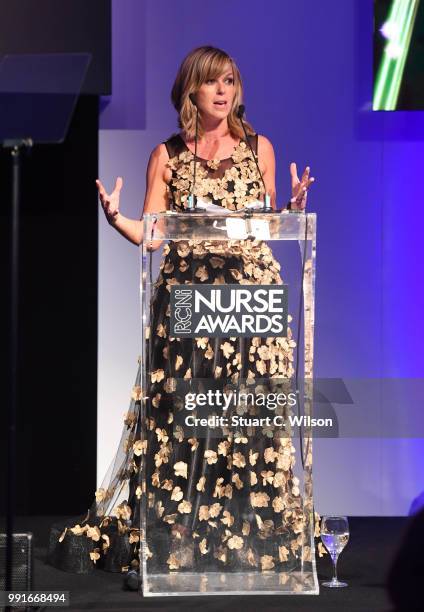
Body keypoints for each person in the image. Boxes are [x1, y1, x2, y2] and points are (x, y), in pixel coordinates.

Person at [47, 46, 318, 584]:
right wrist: (116, 217)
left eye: (232, 82)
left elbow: (262, 225)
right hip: (190, 300)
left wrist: (289, 212)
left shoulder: (259, 147)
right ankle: (173, 543)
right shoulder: (168, 155)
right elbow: (151, 236)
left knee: (248, 418)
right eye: (214, 82)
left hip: (249, 301)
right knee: (186, 420)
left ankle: (253, 539)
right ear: (191, 90)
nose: (225, 91)